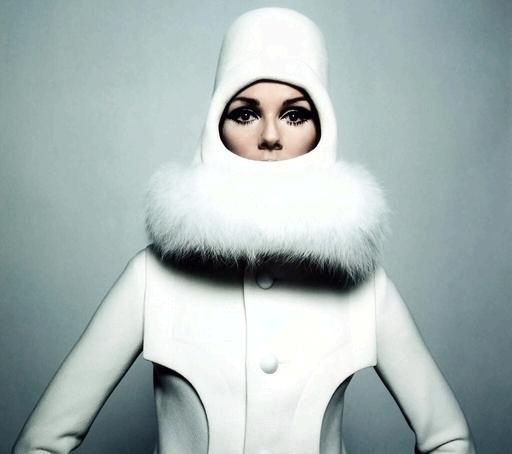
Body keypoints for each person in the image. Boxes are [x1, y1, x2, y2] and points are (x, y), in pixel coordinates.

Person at [12, 7, 477, 454]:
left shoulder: (364, 286)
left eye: (295, 115)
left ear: (323, 129)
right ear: (217, 127)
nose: (271, 136)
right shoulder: (152, 277)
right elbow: (42, 443)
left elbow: (449, 440)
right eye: (245, 113)